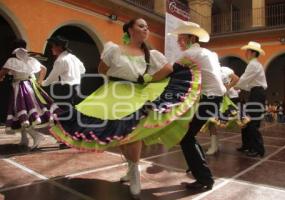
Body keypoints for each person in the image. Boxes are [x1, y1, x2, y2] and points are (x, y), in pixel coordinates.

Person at [49, 18, 202, 198]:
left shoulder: (151, 55)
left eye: (147, 26)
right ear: (130, 29)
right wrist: (119, 77)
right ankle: (131, 168)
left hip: (137, 93)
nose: (145, 29)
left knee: (132, 131)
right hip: (113, 92)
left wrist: (148, 80)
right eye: (141, 26)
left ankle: (135, 171)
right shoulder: (114, 49)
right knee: (121, 134)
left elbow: (167, 69)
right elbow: (102, 69)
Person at [171, 21, 226, 190]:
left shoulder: (191, 53)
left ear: (191, 38)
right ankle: (198, 168)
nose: (178, 41)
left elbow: (170, 70)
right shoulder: (208, 53)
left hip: (209, 98)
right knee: (189, 136)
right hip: (214, 98)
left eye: (181, 38)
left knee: (186, 137)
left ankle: (204, 179)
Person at [0, 39, 60, 149]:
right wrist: (39, 82)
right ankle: (25, 139)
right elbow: (44, 69)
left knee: (21, 111)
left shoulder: (12, 60)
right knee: (26, 112)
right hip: (32, 86)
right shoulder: (31, 60)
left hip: (20, 87)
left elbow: (2, 73)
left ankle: (36, 135)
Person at [235, 41, 267, 157]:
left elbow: (244, 80)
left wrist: (233, 85)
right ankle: (247, 145)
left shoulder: (253, 65)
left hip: (257, 94)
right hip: (255, 93)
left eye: (247, 51)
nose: (245, 52)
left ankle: (258, 149)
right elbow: (247, 84)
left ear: (253, 53)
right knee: (246, 121)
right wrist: (237, 86)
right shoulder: (254, 64)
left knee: (252, 122)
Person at [42, 36, 86, 109]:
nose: (51, 48)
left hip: (66, 89)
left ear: (59, 47)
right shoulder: (73, 57)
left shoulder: (61, 60)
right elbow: (83, 70)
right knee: (70, 109)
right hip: (76, 88)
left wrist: (42, 83)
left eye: (53, 46)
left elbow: (52, 77)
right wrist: (74, 76)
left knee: (62, 110)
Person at [205, 66, 240, 155]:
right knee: (211, 121)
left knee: (239, 122)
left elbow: (236, 79)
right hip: (218, 98)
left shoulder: (224, 69)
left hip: (228, 99)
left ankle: (214, 146)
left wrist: (227, 87)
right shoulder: (209, 70)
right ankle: (214, 145)